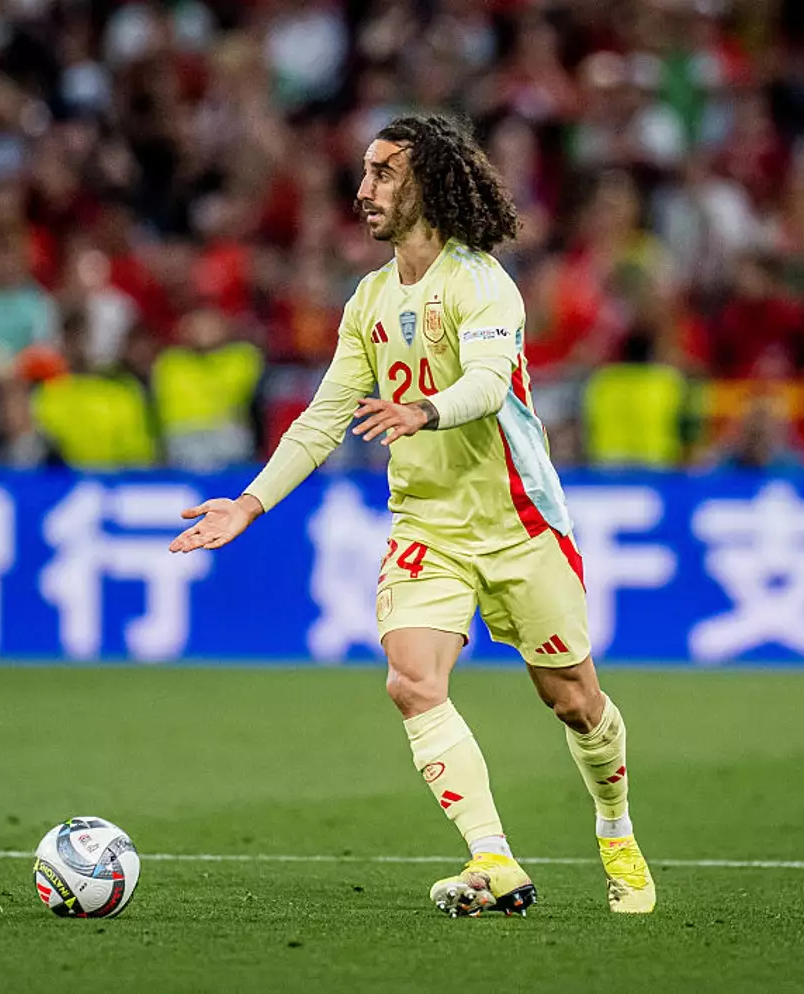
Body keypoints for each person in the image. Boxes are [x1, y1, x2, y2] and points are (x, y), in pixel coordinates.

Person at [169, 114, 655, 917]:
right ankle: (493, 859)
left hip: (519, 522)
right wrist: (251, 502)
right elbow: (324, 416)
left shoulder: (482, 282)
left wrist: (424, 411)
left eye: (382, 174)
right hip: (429, 523)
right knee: (411, 680)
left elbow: (491, 383)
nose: (363, 191)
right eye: (363, 173)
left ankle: (615, 826)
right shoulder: (367, 301)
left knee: (573, 700)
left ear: (426, 182)